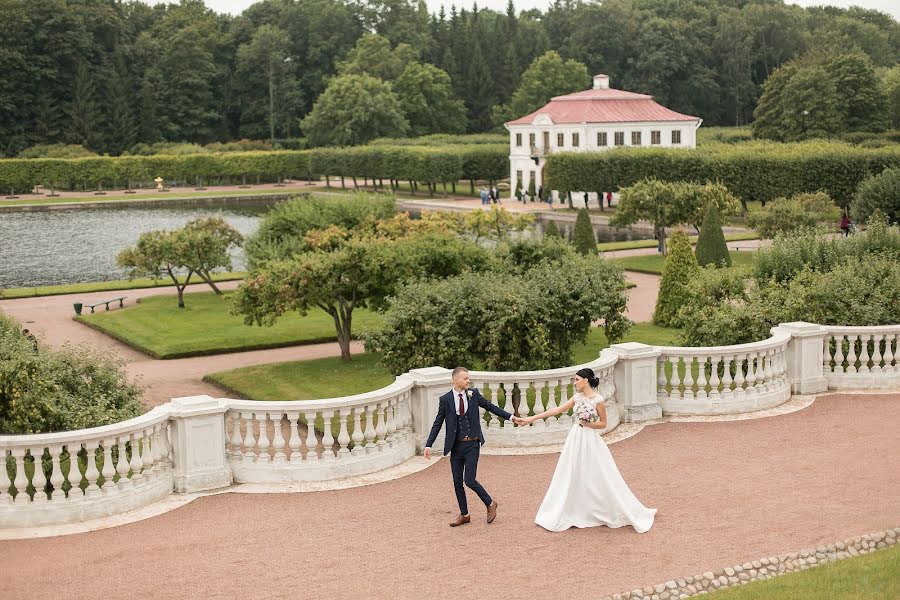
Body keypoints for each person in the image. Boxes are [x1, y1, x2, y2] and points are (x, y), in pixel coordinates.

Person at [524, 367, 657, 533]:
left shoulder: (598, 400)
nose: (575, 383)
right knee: (571, 471)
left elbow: (603, 423)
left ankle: (601, 508)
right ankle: (572, 509)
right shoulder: (577, 398)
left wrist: (588, 424)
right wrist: (531, 418)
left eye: (577, 380)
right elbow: (557, 410)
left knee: (598, 472)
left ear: (586, 380)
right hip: (575, 437)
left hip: (590, 439)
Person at [424, 367, 526, 527]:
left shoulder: (474, 394)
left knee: (469, 480)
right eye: (465, 378)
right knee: (457, 481)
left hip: (472, 444)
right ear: (455, 380)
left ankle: (490, 503)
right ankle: (464, 514)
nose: (468, 381)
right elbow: (438, 422)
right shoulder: (445, 399)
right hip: (455, 446)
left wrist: (512, 417)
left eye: (468, 378)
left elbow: (491, 407)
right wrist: (428, 444)